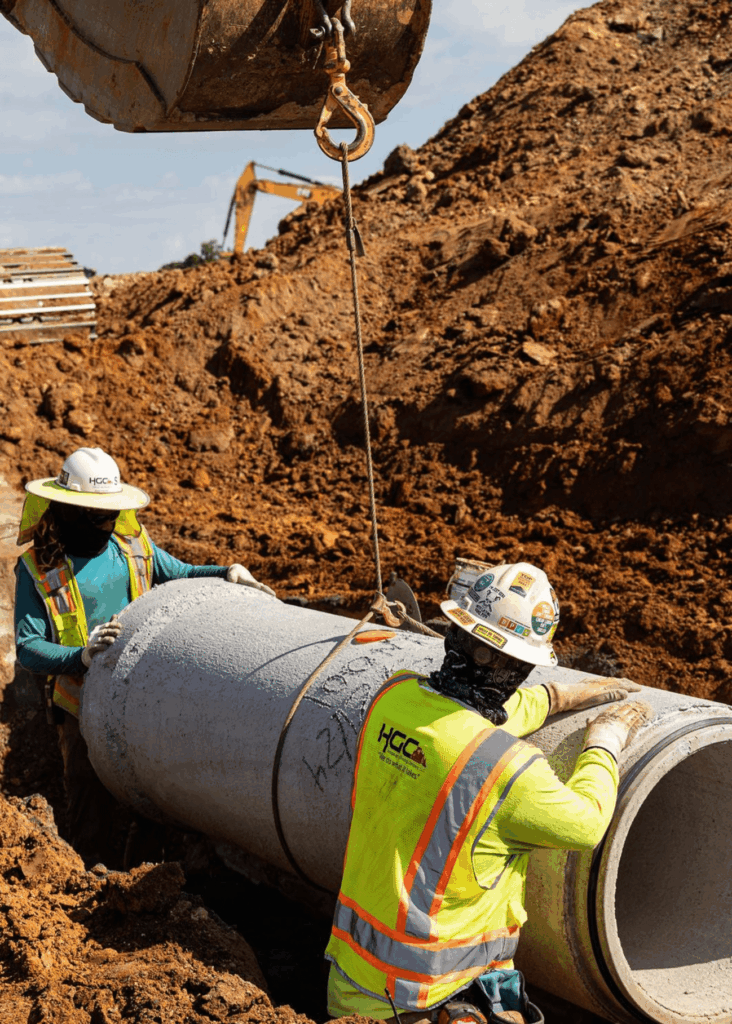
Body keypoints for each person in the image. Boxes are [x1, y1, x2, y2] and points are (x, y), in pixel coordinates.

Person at [325, 561, 652, 1024]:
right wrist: (605, 742)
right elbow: (587, 823)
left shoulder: (392, 697)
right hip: (423, 1001)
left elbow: (461, 719)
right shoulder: (506, 768)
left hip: (348, 989)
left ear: (454, 634)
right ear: (517, 667)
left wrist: (555, 698)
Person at [14, 446, 275, 864]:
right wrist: (80, 656)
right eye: (99, 516)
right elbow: (28, 646)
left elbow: (180, 574)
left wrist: (226, 572)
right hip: (80, 704)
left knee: (153, 795)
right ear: (69, 511)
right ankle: (90, 878)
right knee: (90, 802)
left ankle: (144, 876)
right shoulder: (39, 569)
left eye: (112, 514)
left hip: (139, 697)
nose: (108, 524)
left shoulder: (132, 548)